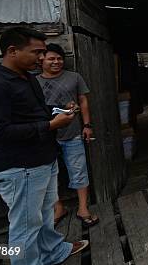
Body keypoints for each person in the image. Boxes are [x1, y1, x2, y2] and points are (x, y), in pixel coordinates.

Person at [0, 27, 88, 265]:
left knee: (45, 216)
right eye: (37, 52)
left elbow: (34, 116)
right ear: (12, 51)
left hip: (43, 160)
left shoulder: (28, 80)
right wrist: (50, 125)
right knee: (25, 228)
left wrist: (60, 113)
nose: (42, 58)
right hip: (20, 168)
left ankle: (53, 252)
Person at [36, 43, 99, 228]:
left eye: (59, 58)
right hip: (47, 136)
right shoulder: (34, 83)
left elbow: (83, 100)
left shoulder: (74, 77)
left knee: (78, 170)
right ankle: (58, 208)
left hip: (72, 134)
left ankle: (82, 208)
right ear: (42, 61)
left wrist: (87, 125)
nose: (56, 62)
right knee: (49, 175)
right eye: (51, 58)